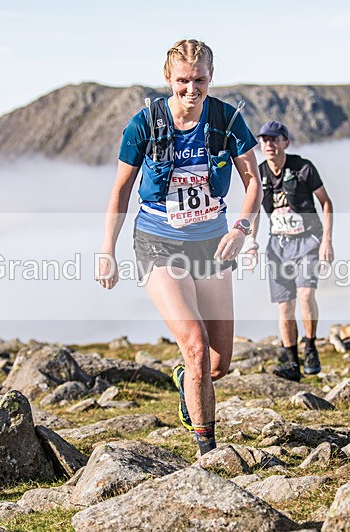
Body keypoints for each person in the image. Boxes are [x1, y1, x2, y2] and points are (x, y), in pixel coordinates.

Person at [96, 39, 262, 456]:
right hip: (157, 241)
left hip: (213, 244)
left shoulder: (226, 119)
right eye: (183, 81)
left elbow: (254, 182)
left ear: (211, 77)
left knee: (217, 364)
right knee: (195, 345)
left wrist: (241, 229)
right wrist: (107, 251)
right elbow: (120, 191)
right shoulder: (144, 124)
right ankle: (210, 454)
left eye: (200, 80)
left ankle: (184, 379)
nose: (192, 89)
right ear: (167, 78)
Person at [246, 121, 333, 381]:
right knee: (285, 306)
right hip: (278, 245)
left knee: (306, 295)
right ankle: (291, 360)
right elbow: (254, 211)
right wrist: (251, 242)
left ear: (286, 142)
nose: (269, 144)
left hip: (307, 241)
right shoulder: (258, 174)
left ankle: (310, 346)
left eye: (274, 139)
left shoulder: (303, 167)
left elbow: (326, 202)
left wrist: (327, 240)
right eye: (264, 140)